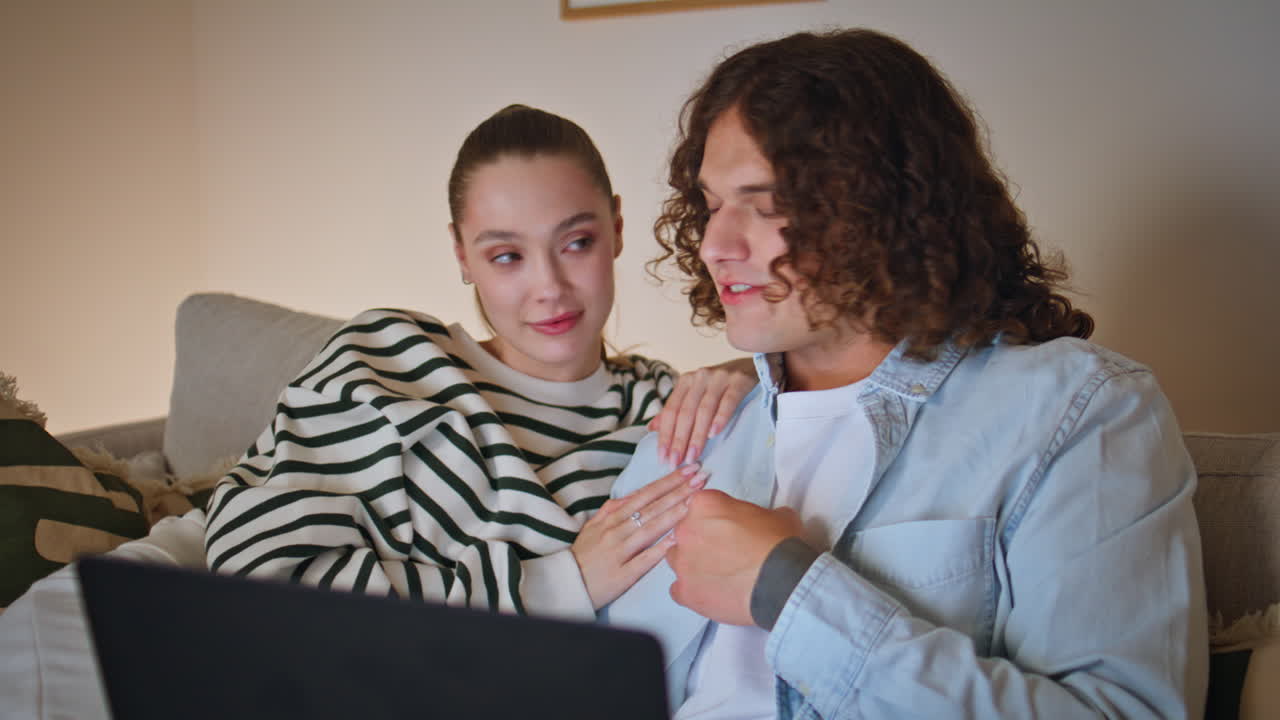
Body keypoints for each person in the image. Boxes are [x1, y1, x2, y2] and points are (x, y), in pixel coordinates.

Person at [602, 29, 1208, 718]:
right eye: (712, 204)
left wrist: (789, 593)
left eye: (765, 202)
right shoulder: (696, 426)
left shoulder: (1083, 413)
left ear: (883, 207)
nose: (715, 244)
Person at [201, 104, 755, 618]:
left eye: (576, 242)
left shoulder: (664, 410)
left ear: (616, 228)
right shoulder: (388, 359)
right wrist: (560, 585)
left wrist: (746, 371)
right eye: (507, 256)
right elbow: (258, 568)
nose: (549, 287)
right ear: (462, 255)